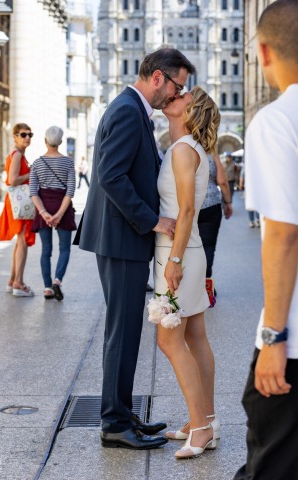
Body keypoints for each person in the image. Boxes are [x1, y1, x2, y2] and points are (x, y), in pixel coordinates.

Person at [74, 47, 195, 450]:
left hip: (121, 238)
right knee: (122, 334)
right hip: (122, 238)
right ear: (158, 77)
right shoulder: (128, 109)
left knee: (124, 332)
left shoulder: (132, 107)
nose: (177, 94)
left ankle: (123, 415)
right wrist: (153, 220)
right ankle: (114, 423)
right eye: (177, 85)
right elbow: (110, 175)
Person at [234, 1, 298, 478]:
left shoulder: (276, 122)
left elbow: (281, 234)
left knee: (270, 463)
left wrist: (273, 336)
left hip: (293, 336)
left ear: (262, 52)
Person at [154, 86, 221, 459]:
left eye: (181, 97)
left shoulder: (182, 150)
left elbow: (187, 210)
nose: (172, 97)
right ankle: (204, 418)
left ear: (189, 111)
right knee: (195, 336)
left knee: (170, 340)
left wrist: (174, 261)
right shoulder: (188, 148)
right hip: (188, 250)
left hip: (179, 252)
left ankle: (201, 427)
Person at [30, 126, 76, 301]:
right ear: (61, 142)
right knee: (64, 248)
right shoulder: (68, 162)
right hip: (62, 207)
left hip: (43, 207)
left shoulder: (37, 163)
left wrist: (44, 213)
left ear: (45, 141)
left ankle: (47, 287)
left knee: (46, 250)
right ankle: (57, 280)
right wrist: (59, 214)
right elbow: (70, 191)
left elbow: (33, 191)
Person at [0, 123, 36, 297]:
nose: (27, 137)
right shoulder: (17, 155)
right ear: (15, 136)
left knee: (20, 241)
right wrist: (32, 173)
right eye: (23, 134)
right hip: (20, 202)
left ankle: (13, 281)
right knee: (22, 242)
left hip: (17, 202)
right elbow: (12, 180)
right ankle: (19, 282)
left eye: (30, 134)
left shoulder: (18, 154)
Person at [198, 152, 233, 306]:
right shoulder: (211, 153)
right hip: (210, 205)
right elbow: (222, 181)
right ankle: (206, 286)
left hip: (187, 205)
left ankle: (190, 286)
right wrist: (228, 202)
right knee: (208, 246)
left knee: (189, 246)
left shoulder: (184, 147)